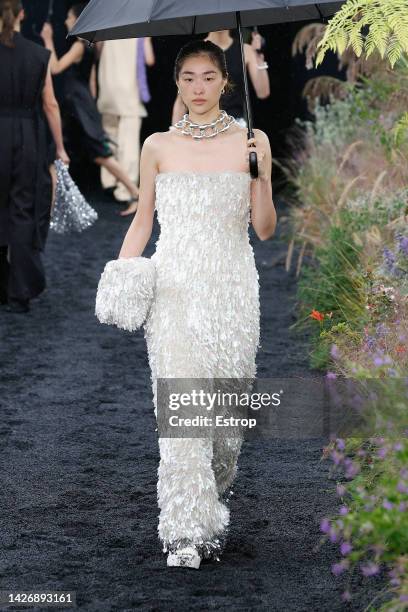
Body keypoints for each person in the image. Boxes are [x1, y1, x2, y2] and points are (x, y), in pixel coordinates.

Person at [117, 40, 276, 568]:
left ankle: (214, 492)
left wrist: (261, 178)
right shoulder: (157, 145)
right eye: (188, 78)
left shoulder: (253, 141)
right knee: (182, 414)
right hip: (175, 289)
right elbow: (143, 219)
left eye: (208, 77)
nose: (199, 88)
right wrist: (123, 272)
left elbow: (264, 229)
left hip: (233, 289)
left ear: (225, 81)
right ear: (178, 83)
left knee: (226, 425)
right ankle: (185, 531)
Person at [0, 0, 69, 314]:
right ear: (22, 15)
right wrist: (61, 148)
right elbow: (51, 105)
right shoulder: (39, 55)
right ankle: (20, 291)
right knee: (23, 209)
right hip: (27, 138)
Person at [40, 4, 139, 212]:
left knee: (98, 154)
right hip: (75, 104)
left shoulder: (79, 46)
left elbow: (56, 67)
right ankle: (49, 208)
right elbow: (91, 80)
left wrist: (48, 40)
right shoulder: (88, 44)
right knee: (58, 152)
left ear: (77, 21)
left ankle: (135, 194)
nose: (66, 21)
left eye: (68, 17)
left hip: (78, 104)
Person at [96, 37, 155, 216]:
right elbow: (149, 59)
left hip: (107, 88)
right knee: (128, 142)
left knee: (110, 137)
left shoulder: (107, 25)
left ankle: (109, 181)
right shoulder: (138, 29)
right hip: (128, 90)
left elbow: (98, 54)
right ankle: (125, 189)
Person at [171, 29, 270, 127]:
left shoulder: (245, 50)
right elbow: (181, 101)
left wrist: (259, 56)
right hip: (201, 126)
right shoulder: (194, 51)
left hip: (234, 125)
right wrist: (174, 134)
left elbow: (262, 92)